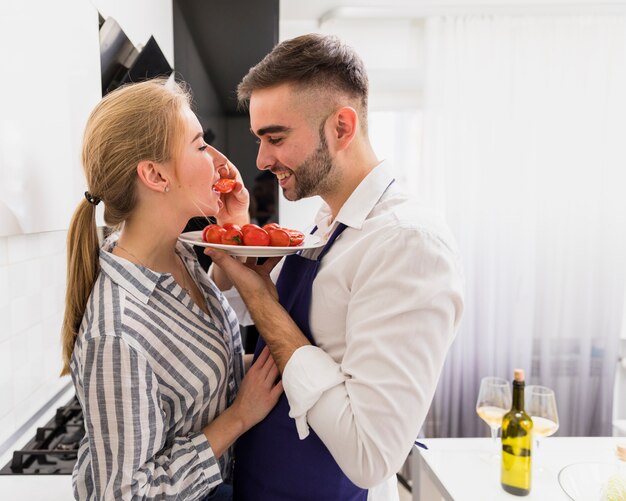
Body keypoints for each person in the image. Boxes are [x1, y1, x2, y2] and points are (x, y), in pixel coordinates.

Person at [205, 34, 465, 500]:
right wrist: (237, 236)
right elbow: (250, 322)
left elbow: (371, 455)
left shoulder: (408, 244)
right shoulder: (327, 221)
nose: (262, 160)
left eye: (275, 137)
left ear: (342, 128)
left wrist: (264, 304)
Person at [60, 79, 283, 501]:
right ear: (155, 175)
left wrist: (236, 225)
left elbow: (204, 348)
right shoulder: (116, 334)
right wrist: (239, 416)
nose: (219, 164)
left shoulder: (177, 252)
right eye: (200, 146)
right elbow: (124, 494)